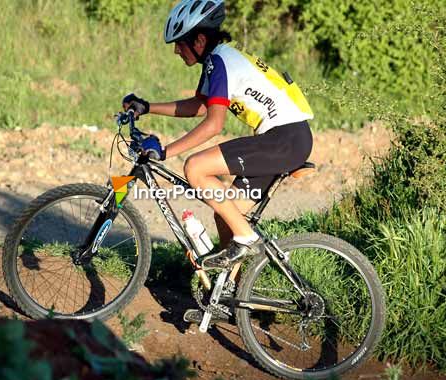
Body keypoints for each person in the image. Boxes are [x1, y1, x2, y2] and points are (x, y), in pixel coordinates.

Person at [123, 0, 313, 270]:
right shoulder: (219, 59)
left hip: (283, 138)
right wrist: (148, 107)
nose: (176, 50)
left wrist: (165, 151)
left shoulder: (220, 61)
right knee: (226, 214)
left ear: (199, 40)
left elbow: (214, 124)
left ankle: (247, 237)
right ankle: (230, 295)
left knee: (195, 167)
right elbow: (200, 105)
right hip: (288, 139)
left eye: (179, 43)